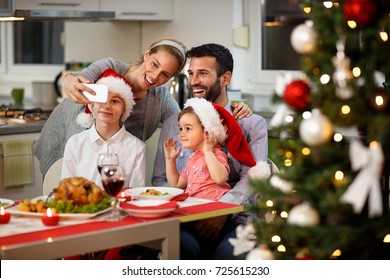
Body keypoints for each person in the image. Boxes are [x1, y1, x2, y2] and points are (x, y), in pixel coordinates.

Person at [34, 38, 252, 179]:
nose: (155, 76)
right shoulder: (109, 66)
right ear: (147, 54)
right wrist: (70, 80)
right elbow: (80, 79)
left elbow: (190, 119)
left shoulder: (160, 99)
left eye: (165, 75)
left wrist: (230, 108)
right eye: (155, 64)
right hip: (72, 138)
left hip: (112, 162)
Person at [152, 43, 269, 259]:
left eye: (203, 73)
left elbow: (253, 179)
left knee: (227, 256)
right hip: (186, 216)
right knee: (180, 248)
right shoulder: (174, 124)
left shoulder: (250, 124)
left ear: (225, 78)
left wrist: (221, 211)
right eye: (191, 73)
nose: (194, 81)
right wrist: (190, 208)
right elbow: (160, 179)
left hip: (239, 218)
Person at [61, 68, 146, 189]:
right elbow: (67, 190)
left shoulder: (137, 148)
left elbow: (136, 193)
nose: (107, 106)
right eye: (101, 99)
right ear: (92, 104)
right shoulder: (74, 144)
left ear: (124, 109)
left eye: (115, 101)